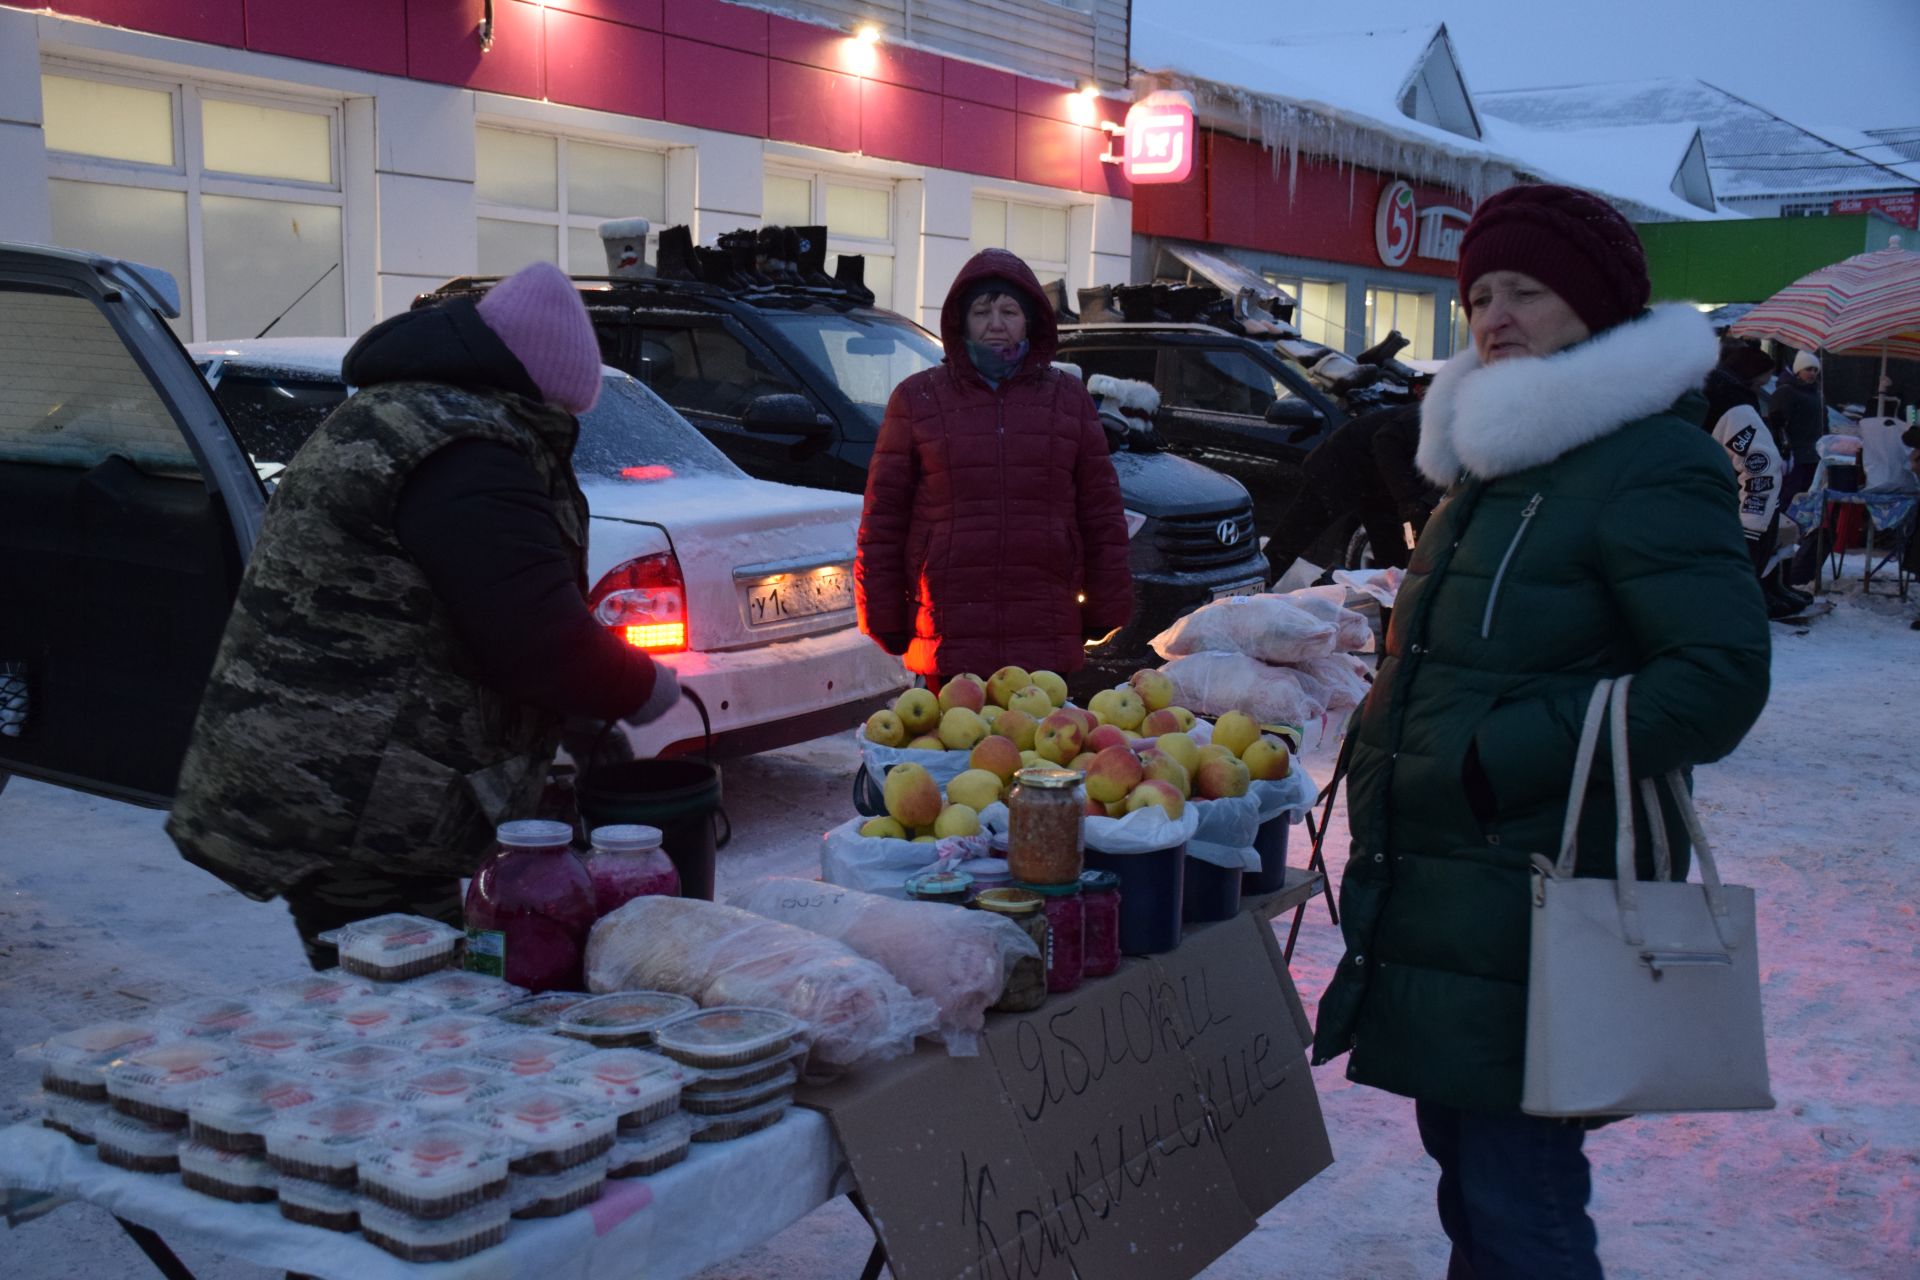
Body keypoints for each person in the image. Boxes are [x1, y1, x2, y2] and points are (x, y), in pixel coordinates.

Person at [1312, 184, 1772, 1279]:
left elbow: (1717, 679)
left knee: (1522, 1206)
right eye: (1479, 293)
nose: (1497, 313)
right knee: (1473, 1187)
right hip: (1443, 891)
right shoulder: (1492, 454)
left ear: (1598, 307)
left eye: (1529, 289)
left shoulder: (1647, 459)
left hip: (1537, 887)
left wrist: (1489, 758)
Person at [166, 262, 681, 968]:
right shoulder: (466, 452)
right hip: (351, 796)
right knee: (417, 1012)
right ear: (538, 383)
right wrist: (641, 689)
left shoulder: (408, 417)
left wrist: (576, 721)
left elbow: (457, 611)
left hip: (341, 771)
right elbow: (534, 636)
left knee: (413, 998)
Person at [855, 248, 1132, 686]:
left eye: (1009, 311)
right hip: (949, 623)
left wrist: (1106, 604)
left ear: (1031, 321)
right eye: (982, 311)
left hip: (1044, 621)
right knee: (952, 751)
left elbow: (1100, 510)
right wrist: (884, 612)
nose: (996, 324)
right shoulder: (917, 399)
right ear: (961, 321)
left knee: (1040, 752)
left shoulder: (1067, 398)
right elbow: (883, 518)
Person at [1261, 398, 1437, 586]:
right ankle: (1248, 594)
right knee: (1289, 543)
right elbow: (1385, 439)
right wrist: (1408, 498)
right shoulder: (1434, 415)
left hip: (1377, 486)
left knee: (1392, 562)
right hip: (1337, 467)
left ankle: (1393, 610)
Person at [1706, 340, 1808, 618]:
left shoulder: (1716, 392)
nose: (1768, 380)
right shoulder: (1732, 400)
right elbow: (1760, 466)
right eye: (1766, 374)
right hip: (1725, 503)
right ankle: (1755, 590)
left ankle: (1766, 586)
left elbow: (1759, 464)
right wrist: (1752, 529)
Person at [1770, 348, 1826, 510]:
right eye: (1808, 369)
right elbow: (1776, 424)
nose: (1812, 373)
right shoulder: (1786, 392)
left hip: (1814, 455)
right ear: (1798, 370)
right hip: (1793, 457)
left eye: (1815, 370)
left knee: (1806, 497)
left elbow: (1823, 423)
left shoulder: (1817, 394)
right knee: (1789, 496)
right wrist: (1784, 449)